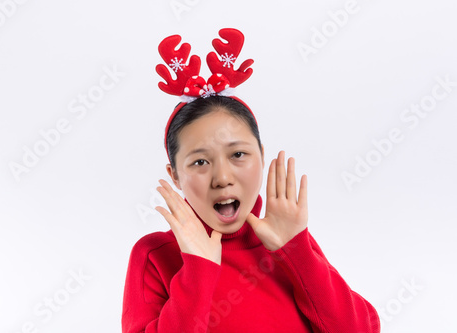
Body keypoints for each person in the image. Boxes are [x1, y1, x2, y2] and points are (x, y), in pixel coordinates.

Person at [121, 28, 380, 333]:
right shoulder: (154, 255)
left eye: (238, 155)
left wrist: (296, 251)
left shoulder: (285, 239)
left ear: (261, 155)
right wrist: (197, 270)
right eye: (200, 162)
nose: (223, 178)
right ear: (175, 175)